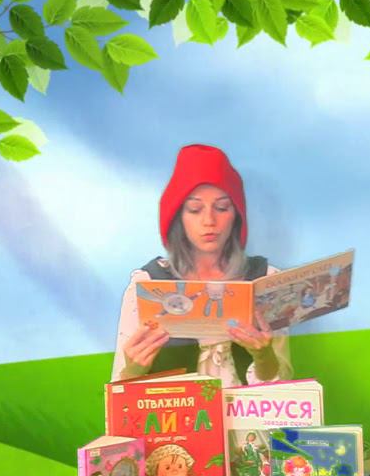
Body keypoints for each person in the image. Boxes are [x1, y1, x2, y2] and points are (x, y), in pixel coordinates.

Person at [112, 145, 293, 386]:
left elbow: (281, 389)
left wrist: (263, 356)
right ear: (178, 216)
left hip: (247, 410)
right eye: (195, 209)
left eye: (222, 207)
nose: (209, 221)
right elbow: (120, 389)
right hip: (176, 410)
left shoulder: (265, 280)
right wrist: (134, 369)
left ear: (236, 214)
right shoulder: (146, 284)